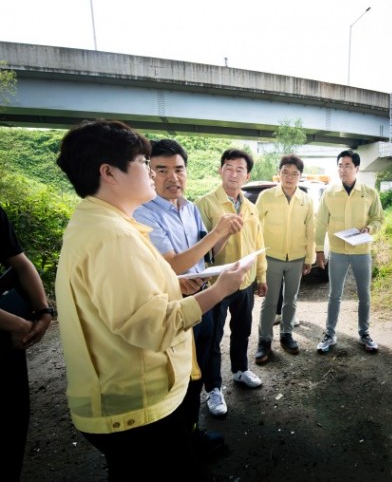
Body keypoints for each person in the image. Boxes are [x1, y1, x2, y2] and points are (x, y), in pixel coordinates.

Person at [54, 119, 252, 481]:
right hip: (134, 407)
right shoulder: (113, 237)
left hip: (139, 398)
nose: (154, 172)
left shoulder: (111, 224)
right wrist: (220, 289)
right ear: (109, 173)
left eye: (175, 168)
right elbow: (153, 325)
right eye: (145, 163)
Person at [133, 138, 243, 453]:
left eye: (179, 169)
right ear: (148, 173)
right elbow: (172, 265)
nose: (173, 178)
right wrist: (217, 232)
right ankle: (177, 444)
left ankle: (192, 433)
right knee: (178, 377)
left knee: (199, 373)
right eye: (161, 170)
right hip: (175, 309)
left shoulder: (190, 207)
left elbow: (203, 258)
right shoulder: (144, 214)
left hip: (202, 300)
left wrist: (224, 237)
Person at [196, 148, 267, 417]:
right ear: (220, 170)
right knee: (212, 338)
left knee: (242, 329)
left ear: (247, 176)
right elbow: (200, 251)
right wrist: (222, 233)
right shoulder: (205, 204)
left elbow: (258, 243)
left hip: (245, 281)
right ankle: (213, 388)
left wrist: (261, 275)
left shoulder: (250, 207)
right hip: (217, 284)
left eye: (239, 169)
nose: (233, 173)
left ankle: (240, 370)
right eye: (228, 167)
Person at [0, 206, 55, 482]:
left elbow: (20, 262)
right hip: (10, 331)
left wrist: (44, 312)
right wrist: (18, 325)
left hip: (8, 345)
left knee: (13, 423)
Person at [315, 149, 384, 353]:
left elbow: (378, 219)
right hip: (337, 251)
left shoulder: (369, 193)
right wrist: (319, 250)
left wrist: (370, 228)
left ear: (357, 168)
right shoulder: (330, 193)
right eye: (340, 165)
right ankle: (329, 334)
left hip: (361, 250)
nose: (342, 170)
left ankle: (364, 334)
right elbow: (320, 223)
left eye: (347, 166)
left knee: (364, 294)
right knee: (334, 294)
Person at [254, 154, 315, 364]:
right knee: (269, 301)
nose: (289, 177)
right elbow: (254, 228)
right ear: (279, 174)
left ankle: (286, 334)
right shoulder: (266, 196)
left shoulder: (306, 199)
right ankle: (264, 340)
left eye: (294, 174)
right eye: (285, 172)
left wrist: (309, 257)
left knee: (291, 299)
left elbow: (311, 230)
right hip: (271, 256)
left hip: (297, 258)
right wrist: (257, 258)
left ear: (300, 176)